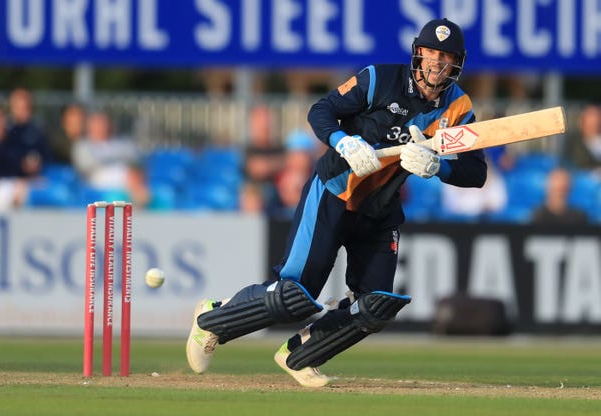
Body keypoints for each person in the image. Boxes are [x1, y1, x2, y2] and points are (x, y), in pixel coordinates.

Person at [186, 18, 487, 387]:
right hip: (334, 193)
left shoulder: (458, 108)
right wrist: (344, 141)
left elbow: (475, 172)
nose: (438, 63)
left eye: (448, 56)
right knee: (294, 296)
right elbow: (321, 111)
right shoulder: (378, 79)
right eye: (432, 53)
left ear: (458, 62)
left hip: (382, 208)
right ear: (418, 53)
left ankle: (300, 353)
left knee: (375, 305)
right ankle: (212, 320)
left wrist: (437, 166)